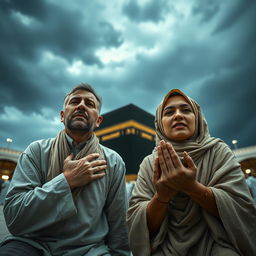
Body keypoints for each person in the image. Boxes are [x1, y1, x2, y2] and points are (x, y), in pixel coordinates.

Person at [0, 83, 130, 256]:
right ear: (62, 116)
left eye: (90, 104)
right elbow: (14, 217)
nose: (81, 105)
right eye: (75, 101)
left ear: (98, 120)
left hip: (88, 250)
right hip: (33, 243)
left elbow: (118, 222)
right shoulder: (37, 151)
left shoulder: (113, 162)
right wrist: (66, 181)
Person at [127, 88, 256, 256]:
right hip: (165, 247)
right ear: (159, 124)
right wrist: (162, 196)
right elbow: (140, 227)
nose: (178, 115)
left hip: (216, 244)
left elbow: (241, 210)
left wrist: (191, 187)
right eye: (169, 112)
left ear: (198, 119)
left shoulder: (218, 152)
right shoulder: (150, 163)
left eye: (186, 110)